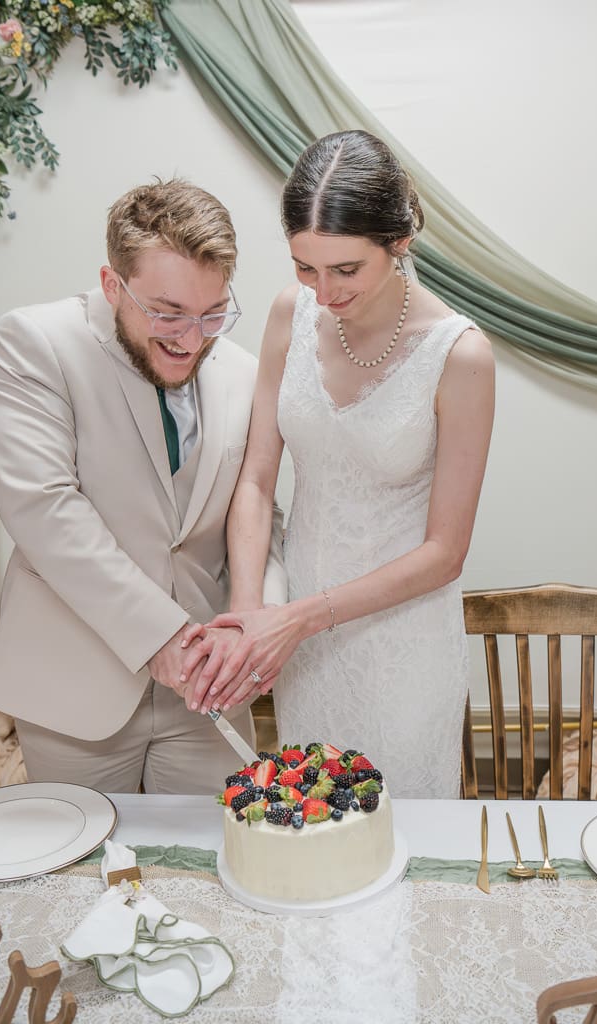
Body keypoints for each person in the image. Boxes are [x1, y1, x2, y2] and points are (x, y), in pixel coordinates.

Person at [178, 130, 495, 798]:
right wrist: (247, 614)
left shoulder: (459, 354)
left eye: (345, 269)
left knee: (397, 831)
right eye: (304, 266)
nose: (323, 291)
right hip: (303, 645)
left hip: (402, 642)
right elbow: (257, 478)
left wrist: (295, 619)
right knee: (313, 825)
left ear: (399, 241)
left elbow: (444, 552)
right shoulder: (289, 313)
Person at [0, 179, 286, 794]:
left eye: (212, 313)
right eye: (167, 313)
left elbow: (259, 514)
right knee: (80, 869)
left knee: (213, 867)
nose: (191, 338)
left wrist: (259, 621)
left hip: (205, 693)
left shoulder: (246, 372)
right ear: (113, 284)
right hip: (74, 686)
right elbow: (44, 508)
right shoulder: (35, 344)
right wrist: (159, 634)